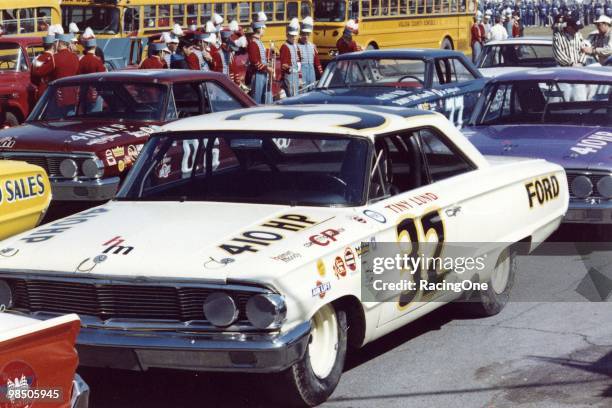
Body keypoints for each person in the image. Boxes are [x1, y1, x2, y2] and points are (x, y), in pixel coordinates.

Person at [247, 12, 274, 104]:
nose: (264, 31)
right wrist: (267, 68)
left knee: (265, 98)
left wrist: (270, 55)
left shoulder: (258, 42)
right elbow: (255, 61)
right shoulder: (253, 43)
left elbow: (262, 57)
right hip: (258, 74)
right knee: (257, 100)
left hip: (263, 73)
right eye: (263, 29)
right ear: (260, 29)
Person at [297, 16, 323, 90]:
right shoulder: (297, 47)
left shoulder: (312, 46)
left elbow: (317, 63)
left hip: (311, 72)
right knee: (302, 91)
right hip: (302, 72)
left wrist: (321, 74)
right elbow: (297, 64)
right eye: (304, 34)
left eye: (307, 34)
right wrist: (299, 77)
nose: (306, 36)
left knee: (312, 89)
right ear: (300, 34)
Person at [280, 18, 301, 98]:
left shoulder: (296, 46)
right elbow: (283, 65)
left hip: (295, 76)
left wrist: (299, 75)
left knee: (296, 95)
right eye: (292, 36)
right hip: (289, 76)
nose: (294, 37)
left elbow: (298, 60)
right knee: (291, 96)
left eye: (295, 35)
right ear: (287, 35)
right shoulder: (285, 47)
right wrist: (290, 69)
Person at [31, 35, 55, 101]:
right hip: (51, 92)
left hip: (40, 91)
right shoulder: (54, 59)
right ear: (53, 46)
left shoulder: (36, 59)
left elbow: (33, 78)